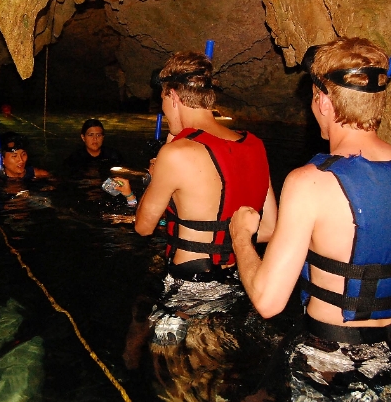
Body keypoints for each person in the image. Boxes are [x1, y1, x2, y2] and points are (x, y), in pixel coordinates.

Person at [229, 37, 391, 400]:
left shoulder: (310, 182)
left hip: (331, 361)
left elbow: (268, 302)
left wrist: (241, 236)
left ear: (323, 101)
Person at [116, 51, 277, 392]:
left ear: (173, 96)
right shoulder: (256, 146)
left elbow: (143, 227)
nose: (164, 110)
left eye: (163, 101)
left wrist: (156, 174)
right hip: (238, 284)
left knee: (178, 387)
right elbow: (267, 230)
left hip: (188, 293)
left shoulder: (176, 153)